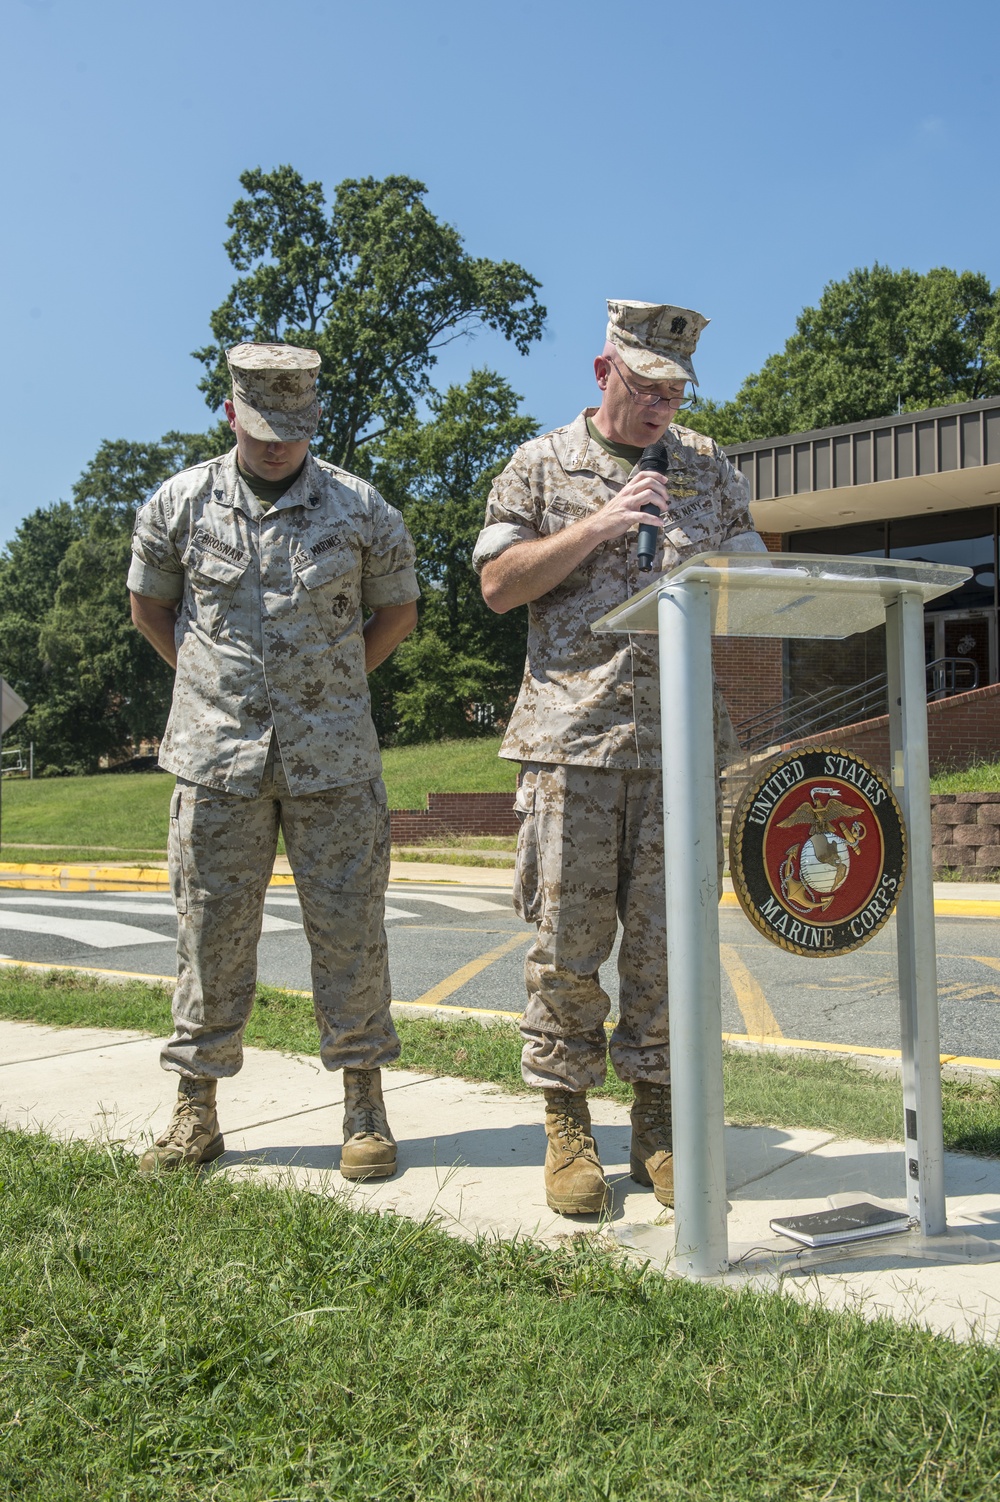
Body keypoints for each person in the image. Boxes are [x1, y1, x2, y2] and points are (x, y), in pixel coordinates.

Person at [474, 300, 765, 1215]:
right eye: (646, 388)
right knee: (567, 948)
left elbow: (752, 579)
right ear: (603, 374)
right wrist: (600, 526)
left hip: (682, 746)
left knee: (669, 950)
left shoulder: (709, 468)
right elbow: (495, 585)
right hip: (574, 747)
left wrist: (757, 580)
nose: (662, 409)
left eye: (676, 392)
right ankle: (567, 1127)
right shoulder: (539, 465)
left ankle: (658, 1125)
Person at [128, 342, 419, 1179]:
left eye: (293, 429)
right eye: (261, 429)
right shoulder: (180, 503)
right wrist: (207, 684)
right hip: (217, 759)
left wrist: (331, 686)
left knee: (352, 932)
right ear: (231, 413)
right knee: (209, 933)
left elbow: (395, 612)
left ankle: (364, 1104)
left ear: (314, 418)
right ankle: (197, 1111)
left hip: (334, 762)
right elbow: (151, 607)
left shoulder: (361, 509)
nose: (277, 445)